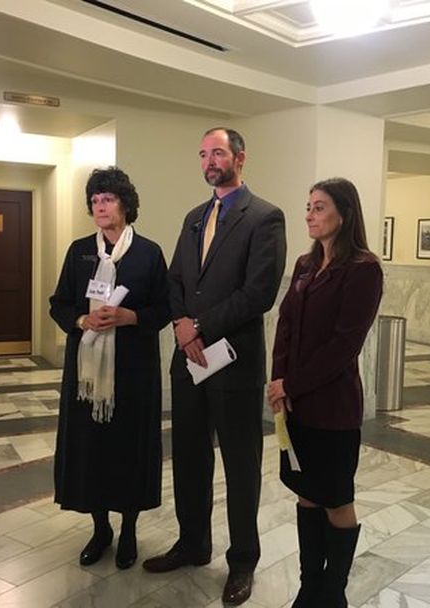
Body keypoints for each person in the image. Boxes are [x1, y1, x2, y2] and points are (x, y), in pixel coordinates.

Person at [142, 127, 286, 606]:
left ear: (240, 158)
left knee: (240, 465)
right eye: (203, 154)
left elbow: (258, 293)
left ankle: (242, 561)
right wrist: (183, 326)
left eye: (218, 152)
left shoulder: (265, 217)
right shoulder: (192, 218)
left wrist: (199, 325)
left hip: (233, 363)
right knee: (188, 456)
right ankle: (193, 543)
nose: (209, 160)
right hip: (188, 362)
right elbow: (176, 279)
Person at [267, 177, 383, 608]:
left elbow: (343, 345)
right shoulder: (303, 264)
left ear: (344, 214)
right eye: (308, 206)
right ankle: (309, 586)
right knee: (307, 493)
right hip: (295, 406)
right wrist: (279, 385)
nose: (310, 215)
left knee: (336, 499)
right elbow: (286, 327)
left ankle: (333, 594)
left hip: (333, 408)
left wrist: (291, 383)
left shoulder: (363, 270)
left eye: (319, 207)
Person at [49, 166, 170, 570]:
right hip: (87, 374)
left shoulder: (149, 253)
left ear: (125, 204)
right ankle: (101, 529)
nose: (100, 207)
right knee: (93, 450)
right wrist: (82, 321)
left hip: (133, 371)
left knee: (128, 448)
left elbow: (164, 308)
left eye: (108, 199)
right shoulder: (79, 251)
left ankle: (130, 528)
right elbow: (60, 303)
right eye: (95, 201)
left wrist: (128, 317)